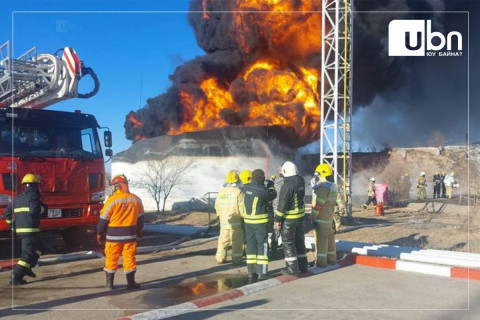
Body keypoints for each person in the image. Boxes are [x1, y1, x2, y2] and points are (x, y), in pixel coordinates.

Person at [96, 174, 144, 290]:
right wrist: (139, 231)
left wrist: (99, 233)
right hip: (130, 236)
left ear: (116, 186)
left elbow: (103, 219)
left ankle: (109, 284)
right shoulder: (136, 199)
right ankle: (131, 283)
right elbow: (140, 218)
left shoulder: (112, 201)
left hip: (113, 237)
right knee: (129, 258)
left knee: (111, 258)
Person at [3, 174, 47, 285]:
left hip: (23, 230)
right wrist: (43, 208)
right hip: (30, 230)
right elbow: (34, 211)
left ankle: (27, 267)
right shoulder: (34, 196)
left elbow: (7, 213)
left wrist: (12, 225)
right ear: (36, 185)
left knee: (39, 247)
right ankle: (16, 276)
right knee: (27, 254)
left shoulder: (18, 197)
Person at [274, 161, 308, 276]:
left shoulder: (287, 185)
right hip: (301, 218)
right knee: (300, 242)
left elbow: (282, 204)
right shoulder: (301, 181)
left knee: (288, 244)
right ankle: (303, 266)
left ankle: (292, 269)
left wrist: (277, 219)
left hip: (289, 219)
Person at [242, 169, 276, 283]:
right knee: (262, 245)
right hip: (260, 222)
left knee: (251, 246)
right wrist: (270, 185)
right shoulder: (262, 190)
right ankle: (262, 272)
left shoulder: (245, 188)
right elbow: (272, 195)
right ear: (261, 178)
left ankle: (251, 271)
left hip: (248, 222)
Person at [310, 164, 339, 267]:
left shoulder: (322, 188)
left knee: (321, 241)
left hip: (321, 219)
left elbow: (318, 204)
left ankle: (321, 261)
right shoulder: (332, 187)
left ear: (322, 174)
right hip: (329, 219)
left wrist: (313, 216)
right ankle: (331, 259)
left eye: (317, 174)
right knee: (330, 240)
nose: (316, 177)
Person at [214, 170, 245, 266]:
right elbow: (242, 208)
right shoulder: (239, 193)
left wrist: (220, 216)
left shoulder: (221, 192)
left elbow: (217, 206)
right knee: (236, 242)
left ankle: (220, 258)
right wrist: (243, 218)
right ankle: (236, 259)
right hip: (236, 222)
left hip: (224, 222)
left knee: (223, 240)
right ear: (237, 180)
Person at [265, 175, 278, 258]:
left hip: (269, 213)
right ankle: (274, 251)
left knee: (267, 233)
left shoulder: (269, 189)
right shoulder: (274, 188)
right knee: (273, 233)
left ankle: (270, 251)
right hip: (272, 213)